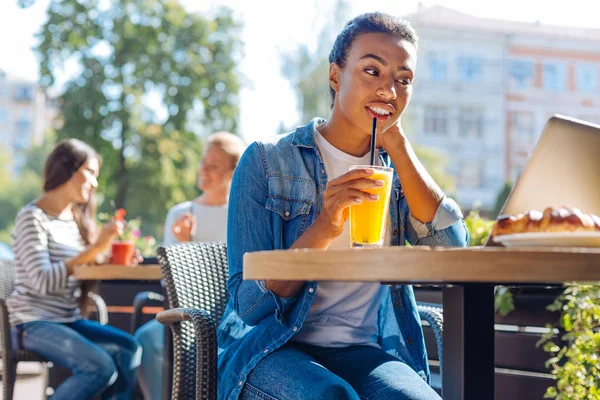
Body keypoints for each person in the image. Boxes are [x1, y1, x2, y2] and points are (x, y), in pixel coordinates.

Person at [217, 12, 470, 400]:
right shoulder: (268, 161)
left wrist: (398, 145)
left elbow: (455, 252)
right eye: (372, 71)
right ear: (335, 76)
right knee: (331, 397)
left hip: (365, 352)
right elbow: (250, 306)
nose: (389, 90)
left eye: (403, 80)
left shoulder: (398, 172)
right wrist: (324, 227)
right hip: (271, 348)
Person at [7, 139, 142, 400]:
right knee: (99, 367)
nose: (95, 183)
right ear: (68, 169)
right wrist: (94, 249)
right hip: (32, 322)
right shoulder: (32, 217)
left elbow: (78, 268)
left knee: (130, 348)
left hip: (66, 319)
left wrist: (107, 260)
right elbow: (43, 281)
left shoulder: (74, 221)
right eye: (90, 172)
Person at [134, 131, 246, 400]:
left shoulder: (243, 213)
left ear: (234, 170)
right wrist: (184, 245)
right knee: (147, 339)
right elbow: (169, 282)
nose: (203, 170)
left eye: (214, 165)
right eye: (203, 162)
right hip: (188, 315)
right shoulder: (181, 213)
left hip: (236, 316)